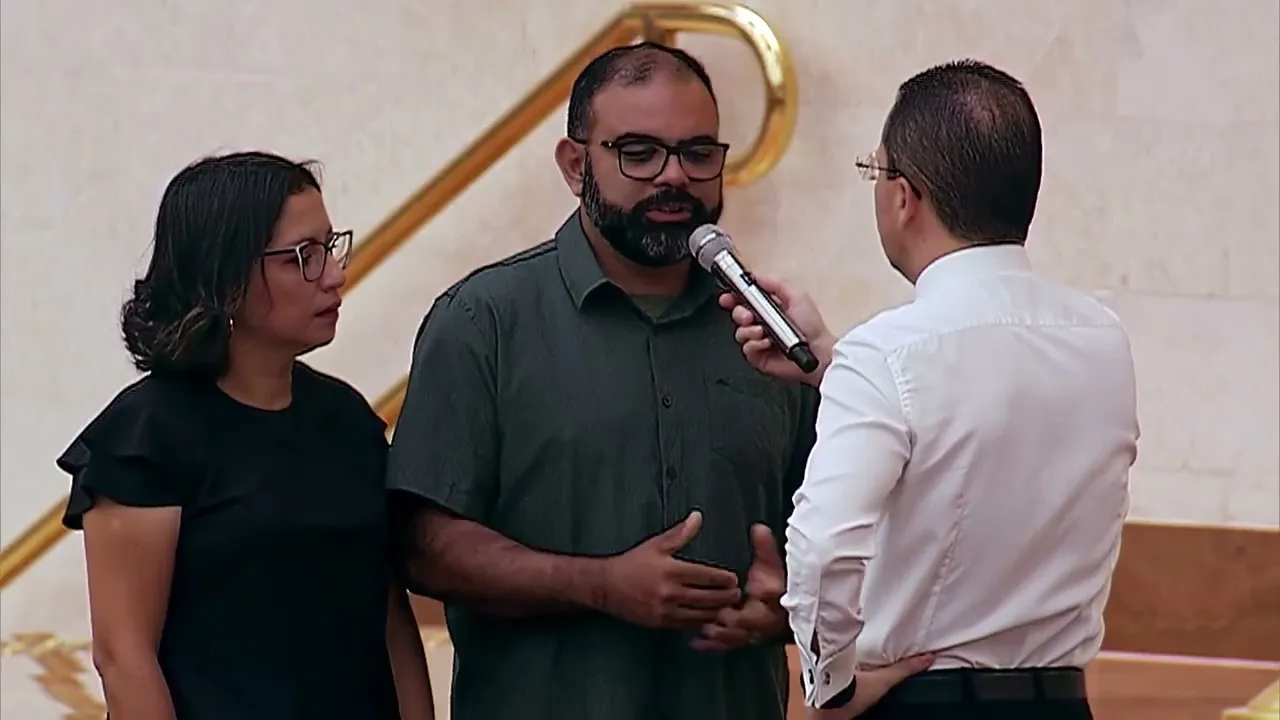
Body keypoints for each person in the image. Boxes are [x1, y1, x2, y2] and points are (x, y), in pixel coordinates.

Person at [386, 42, 910, 720]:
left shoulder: (768, 336)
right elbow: (426, 547)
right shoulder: (483, 321)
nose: (675, 177)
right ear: (575, 165)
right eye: (639, 153)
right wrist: (599, 585)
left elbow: (847, 537)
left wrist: (787, 608)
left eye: (698, 154)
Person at [720, 59, 1139, 719]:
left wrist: (832, 687)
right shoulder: (1102, 339)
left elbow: (823, 546)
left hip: (923, 701)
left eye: (876, 171)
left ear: (904, 196)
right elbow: (984, 412)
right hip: (1060, 701)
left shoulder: (887, 354)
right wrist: (830, 361)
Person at [57, 151, 435, 719]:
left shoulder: (347, 421)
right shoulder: (145, 441)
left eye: (330, 247)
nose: (334, 275)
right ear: (225, 277)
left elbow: (390, 619)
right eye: (302, 257)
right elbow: (124, 657)